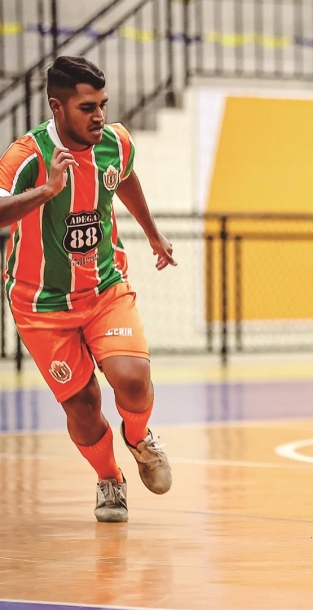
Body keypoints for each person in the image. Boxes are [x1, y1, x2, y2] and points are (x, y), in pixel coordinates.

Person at [0, 56, 175, 522]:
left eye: (102, 104)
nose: (98, 115)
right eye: (86, 107)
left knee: (133, 382)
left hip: (103, 289)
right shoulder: (26, 156)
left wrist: (153, 232)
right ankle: (110, 478)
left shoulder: (114, 140)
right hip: (40, 305)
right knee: (83, 405)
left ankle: (138, 438)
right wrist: (45, 191)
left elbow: (124, 178)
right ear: (57, 108)